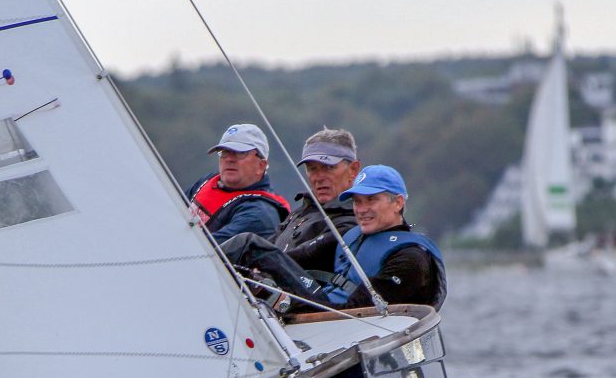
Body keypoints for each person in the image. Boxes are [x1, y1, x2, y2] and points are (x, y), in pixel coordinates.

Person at [235, 165, 446, 312]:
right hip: (322, 308)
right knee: (250, 247)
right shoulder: (349, 237)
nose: (361, 209)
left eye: (371, 200)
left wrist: (287, 303)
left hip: (344, 324)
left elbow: (356, 313)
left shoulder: (410, 259)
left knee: (250, 246)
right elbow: (291, 260)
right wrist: (260, 279)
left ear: (398, 203)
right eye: (357, 201)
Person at [186, 123, 289, 244]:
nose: (229, 159)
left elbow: (206, 248)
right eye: (225, 152)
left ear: (261, 166)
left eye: (240, 153)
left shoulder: (259, 213)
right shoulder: (207, 181)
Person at [272, 128, 360, 251]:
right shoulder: (301, 212)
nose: (318, 178)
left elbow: (303, 255)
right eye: (312, 169)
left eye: (328, 167)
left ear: (353, 169)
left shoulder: (357, 218)